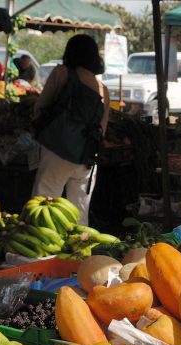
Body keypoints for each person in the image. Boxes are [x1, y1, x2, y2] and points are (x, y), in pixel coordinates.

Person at [32, 34, 109, 221]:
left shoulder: (62, 73)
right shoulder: (103, 89)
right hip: (86, 158)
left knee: (45, 206)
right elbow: (101, 130)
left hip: (57, 150)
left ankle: (43, 246)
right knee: (79, 212)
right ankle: (81, 248)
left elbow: (40, 108)